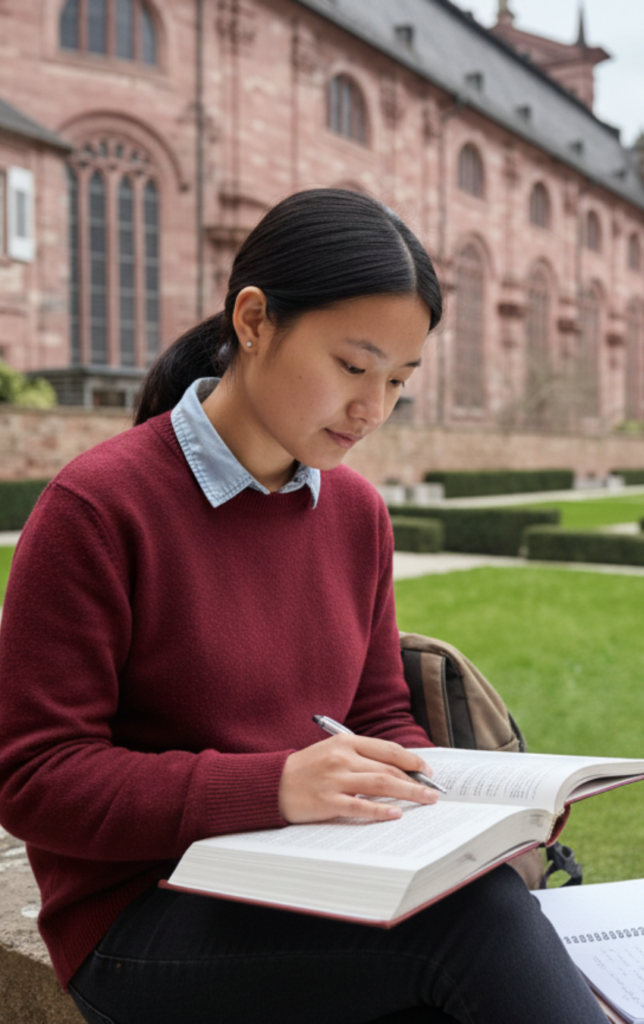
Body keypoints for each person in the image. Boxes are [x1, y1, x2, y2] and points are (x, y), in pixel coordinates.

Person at [0, 189, 607, 1024]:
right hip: (143, 911)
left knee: (478, 921)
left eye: (399, 379)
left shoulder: (357, 514)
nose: (373, 408)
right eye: (352, 367)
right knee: (474, 933)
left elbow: (377, 712)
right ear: (253, 320)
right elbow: (36, 778)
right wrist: (274, 785)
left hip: (320, 875)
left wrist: (476, 807)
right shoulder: (98, 507)